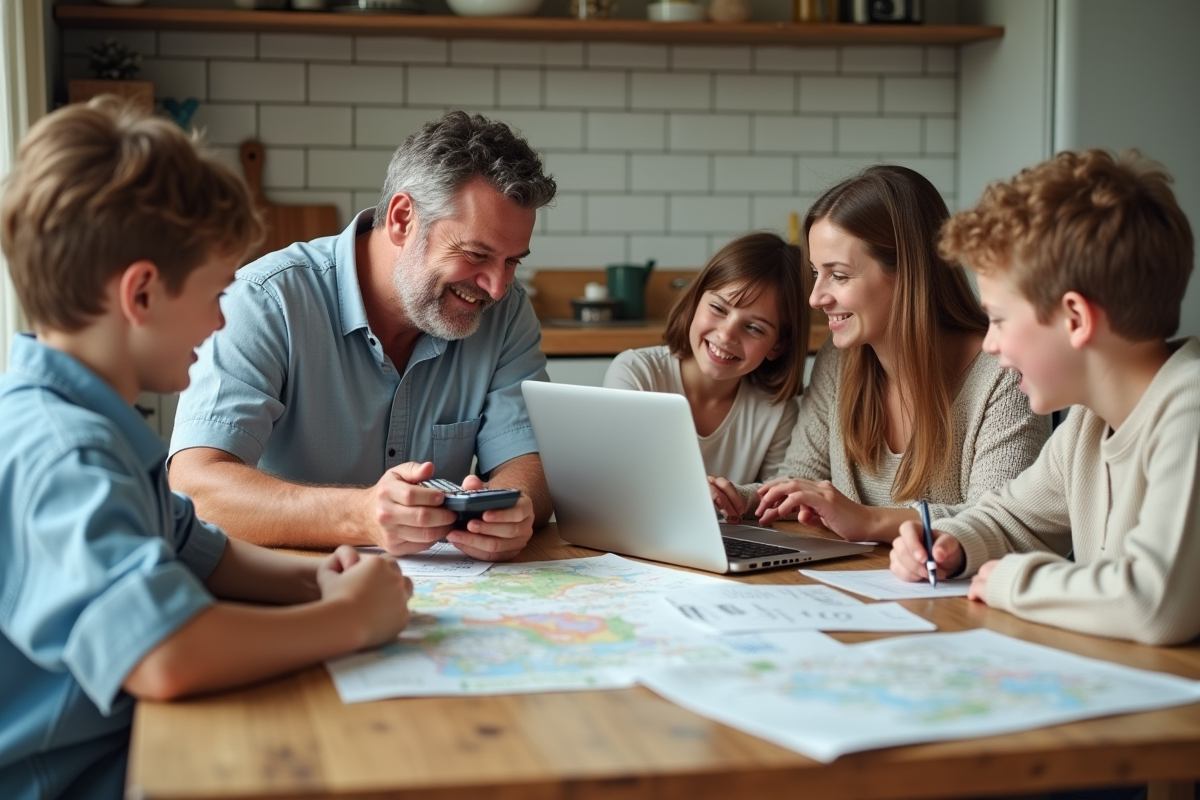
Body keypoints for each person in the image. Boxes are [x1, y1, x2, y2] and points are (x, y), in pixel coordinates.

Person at [0, 99, 414, 800]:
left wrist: (319, 580)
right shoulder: (63, 454)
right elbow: (164, 655)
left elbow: (203, 551)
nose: (223, 319)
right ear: (142, 292)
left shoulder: (91, 422)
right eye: (216, 292)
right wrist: (347, 620)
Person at [167, 111, 558, 561]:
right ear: (402, 219)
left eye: (512, 261)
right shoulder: (264, 301)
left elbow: (529, 462)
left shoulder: (505, 313)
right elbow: (196, 487)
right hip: (288, 593)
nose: (497, 286)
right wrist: (358, 514)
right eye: (476, 254)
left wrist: (513, 507)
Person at [891, 150, 1200, 645]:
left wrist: (1012, 582)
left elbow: (1153, 602)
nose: (989, 343)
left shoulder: (1190, 407)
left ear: (1075, 319)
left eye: (998, 319)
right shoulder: (1087, 423)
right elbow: (1012, 519)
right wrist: (953, 544)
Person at [712, 165, 1050, 541]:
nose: (815, 297)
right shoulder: (841, 358)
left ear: (909, 272)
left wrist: (868, 520)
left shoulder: (1003, 372)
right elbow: (804, 478)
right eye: (815, 272)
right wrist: (735, 499)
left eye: (838, 275)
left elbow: (999, 523)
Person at [602, 232, 808, 491]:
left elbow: (775, 501)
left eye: (754, 328)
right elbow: (620, 484)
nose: (726, 335)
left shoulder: (778, 410)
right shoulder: (636, 373)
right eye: (719, 308)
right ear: (695, 301)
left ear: (778, 345)